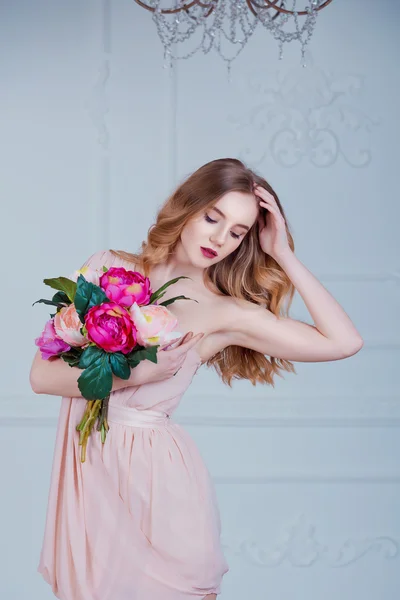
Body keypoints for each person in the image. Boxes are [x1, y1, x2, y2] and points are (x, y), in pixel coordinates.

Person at [30, 158, 363, 600]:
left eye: (238, 231)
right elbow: (41, 377)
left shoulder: (224, 312)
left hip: (158, 485)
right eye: (213, 217)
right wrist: (143, 372)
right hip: (92, 474)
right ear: (187, 206)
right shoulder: (107, 268)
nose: (220, 238)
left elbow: (344, 342)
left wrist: (283, 254)